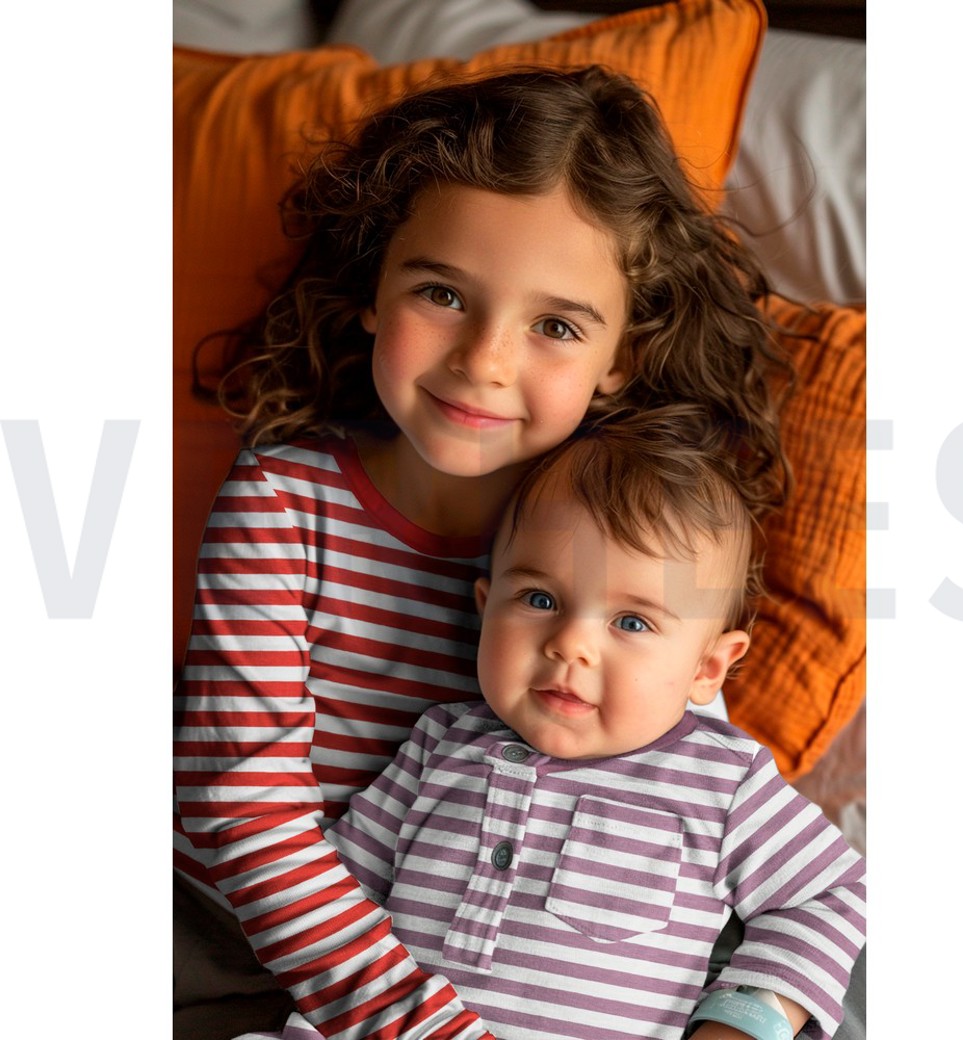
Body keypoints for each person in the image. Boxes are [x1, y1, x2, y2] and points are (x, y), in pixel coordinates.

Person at [173, 65, 794, 1040]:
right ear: (373, 288)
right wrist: (427, 1026)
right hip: (229, 940)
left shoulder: (634, 537)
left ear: (621, 357)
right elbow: (243, 814)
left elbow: (680, 779)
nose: (484, 360)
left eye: (555, 325)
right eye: (442, 293)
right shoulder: (284, 502)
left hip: (467, 970)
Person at [239, 407, 866, 1040]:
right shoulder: (438, 745)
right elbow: (334, 899)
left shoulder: (723, 783)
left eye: (632, 622)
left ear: (707, 668)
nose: (571, 644)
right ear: (486, 608)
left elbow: (833, 893)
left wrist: (744, 1022)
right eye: (540, 600)